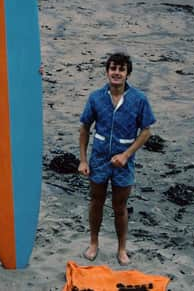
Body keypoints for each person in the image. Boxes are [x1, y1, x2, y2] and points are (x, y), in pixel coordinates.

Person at [78, 52, 155, 266]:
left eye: (121, 69)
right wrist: (83, 160)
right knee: (96, 201)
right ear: (107, 71)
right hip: (99, 160)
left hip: (124, 163)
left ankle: (122, 249)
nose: (117, 73)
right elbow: (84, 128)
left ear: (127, 73)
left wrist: (126, 155)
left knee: (120, 206)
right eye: (113, 68)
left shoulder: (139, 100)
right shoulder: (95, 97)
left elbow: (146, 131)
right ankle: (93, 243)